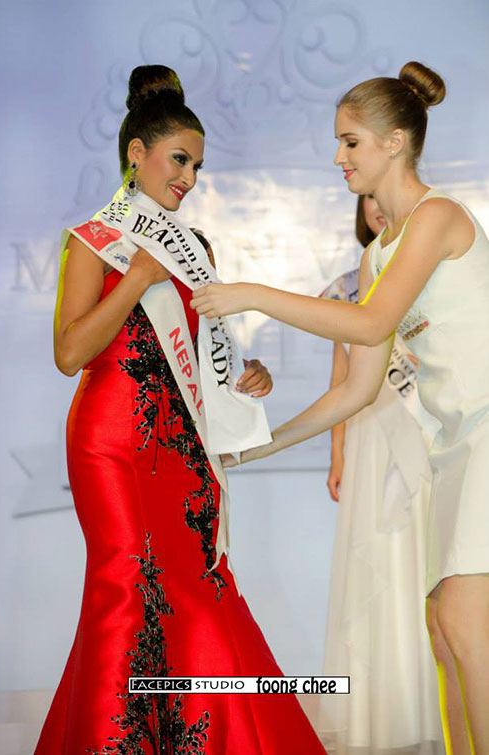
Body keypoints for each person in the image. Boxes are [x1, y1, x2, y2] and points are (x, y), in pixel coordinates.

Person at [191, 61, 489, 753]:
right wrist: (251, 448)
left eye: (350, 141)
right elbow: (356, 390)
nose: (338, 157)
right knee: (444, 627)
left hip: (486, 431)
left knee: (464, 621)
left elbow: (370, 321)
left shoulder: (438, 217)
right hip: (455, 449)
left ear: (394, 142)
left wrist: (253, 293)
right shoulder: (377, 254)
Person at [35, 65, 326, 754]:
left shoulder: (195, 249)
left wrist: (247, 376)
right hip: (111, 444)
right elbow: (70, 352)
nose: (190, 177)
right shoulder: (92, 239)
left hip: (182, 450)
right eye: (179, 159)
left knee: (197, 586)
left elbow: (205, 355)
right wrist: (136, 276)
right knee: (124, 586)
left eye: (196, 165)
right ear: (137, 153)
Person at [315, 194, 443, 753]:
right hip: (369, 435)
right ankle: (380, 714)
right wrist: (337, 453)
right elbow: (342, 378)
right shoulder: (346, 287)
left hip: (423, 432)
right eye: (366, 197)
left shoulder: (431, 270)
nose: (375, 205)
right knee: (376, 560)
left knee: (425, 564)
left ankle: (433, 704)